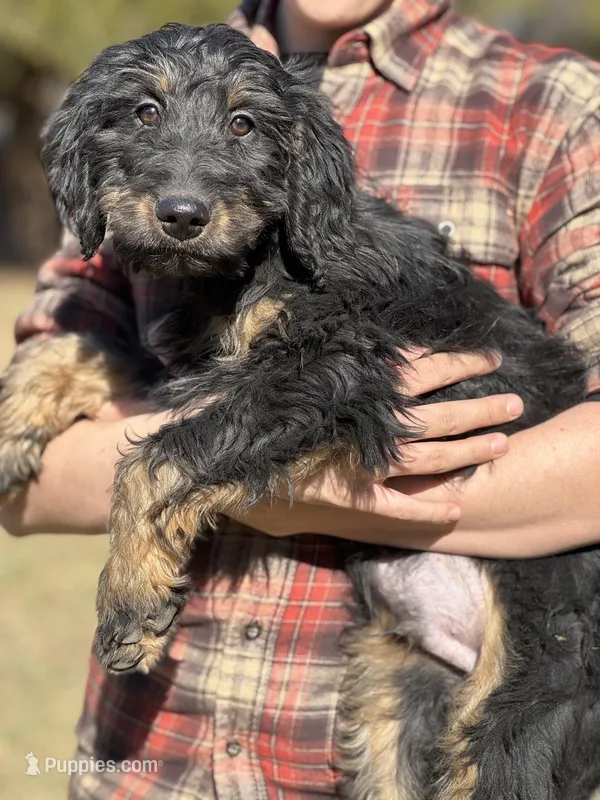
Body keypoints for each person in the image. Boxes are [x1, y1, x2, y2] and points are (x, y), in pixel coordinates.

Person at [2, 0, 600, 797]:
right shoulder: (149, 70)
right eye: (146, 113)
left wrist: (252, 477)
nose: (183, 187)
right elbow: (21, 483)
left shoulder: (553, 103)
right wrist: (258, 477)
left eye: (245, 127)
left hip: (520, 607)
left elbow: (307, 386)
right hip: (158, 763)